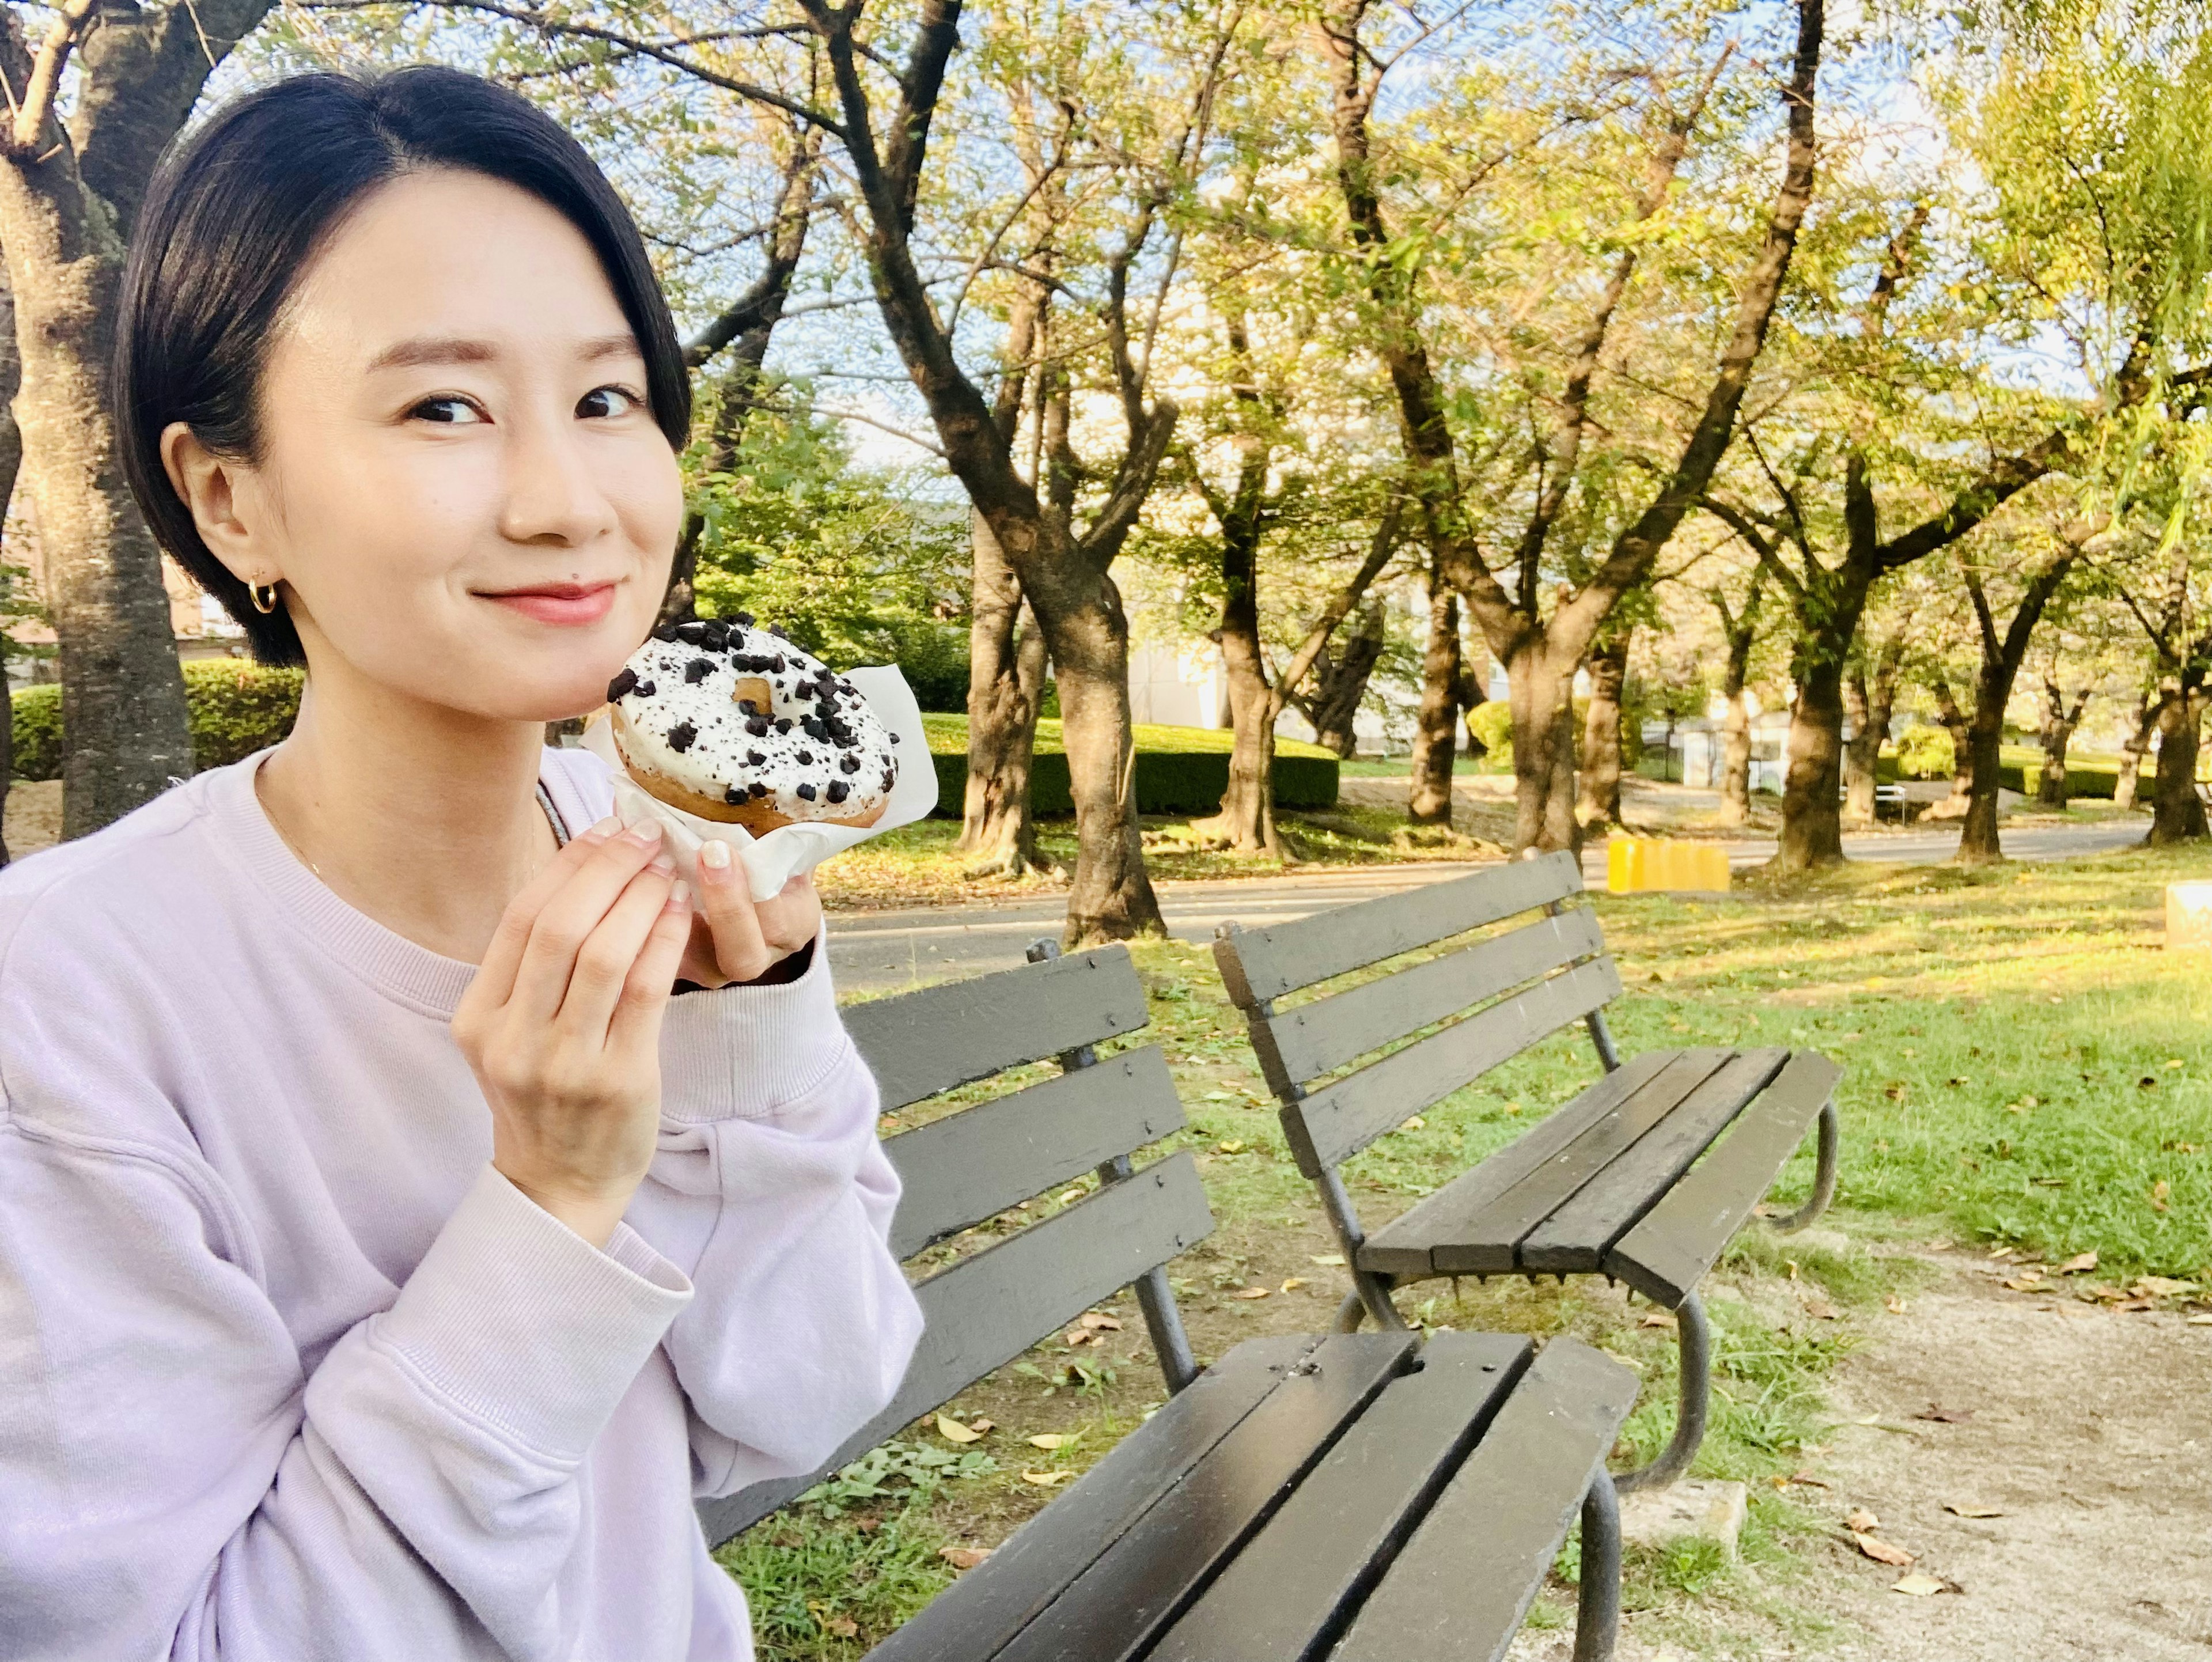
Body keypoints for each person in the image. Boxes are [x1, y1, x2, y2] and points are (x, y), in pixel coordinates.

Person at [0, 67, 922, 1661]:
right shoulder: (64, 1005)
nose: (571, 503)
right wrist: (549, 1199)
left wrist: (757, 1028)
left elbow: (800, 1405)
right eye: (443, 407)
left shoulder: (677, 866)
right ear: (229, 499)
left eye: (607, 400)